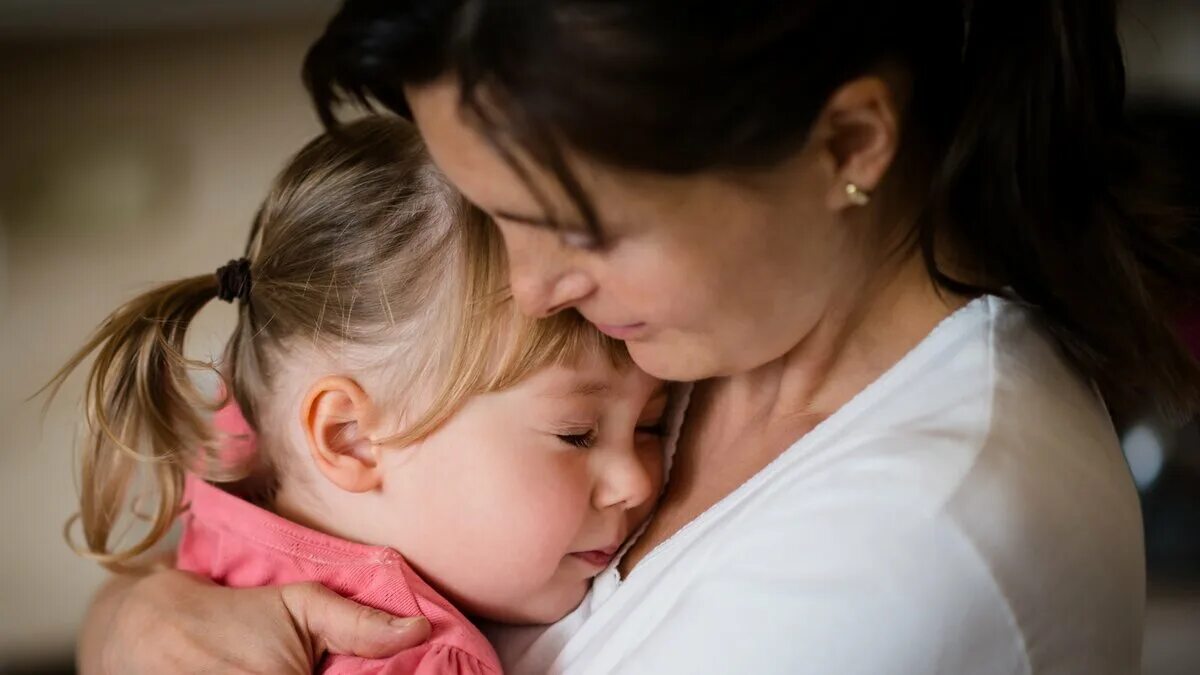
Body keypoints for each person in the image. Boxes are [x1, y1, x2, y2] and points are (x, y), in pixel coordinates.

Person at [77, 1, 1200, 673]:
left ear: (848, 142)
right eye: (500, 222)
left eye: (576, 228)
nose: (530, 290)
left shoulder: (912, 545)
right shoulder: (716, 334)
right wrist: (142, 614)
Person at [51, 119, 671, 674]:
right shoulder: (411, 659)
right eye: (576, 434)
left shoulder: (241, 464)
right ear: (348, 436)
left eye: (652, 424)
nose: (638, 481)